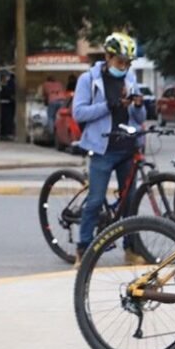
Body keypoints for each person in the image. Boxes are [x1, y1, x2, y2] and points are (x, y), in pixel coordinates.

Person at [72, 33, 147, 264]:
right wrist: (108, 106)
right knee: (95, 200)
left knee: (130, 202)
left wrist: (138, 106)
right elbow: (79, 112)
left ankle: (131, 249)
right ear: (108, 57)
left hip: (127, 147)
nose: (123, 67)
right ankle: (83, 249)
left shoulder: (130, 78)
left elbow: (140, 116)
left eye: (127, 63)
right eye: (120, 62)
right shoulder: (88, 80)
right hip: (102, 148)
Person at [0, 72, 16, 141]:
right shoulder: (12, 84)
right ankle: (7, 133)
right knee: (8, 119)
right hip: (9, 104)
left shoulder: (5, 85)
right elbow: (11, 93)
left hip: (4, 104)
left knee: (4, 120)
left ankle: (3, 133)